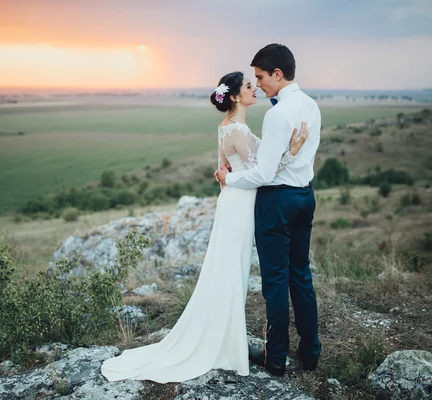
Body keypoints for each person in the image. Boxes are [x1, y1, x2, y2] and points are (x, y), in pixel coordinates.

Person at [100, 70, 308, 383]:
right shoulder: (237, 129)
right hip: (239, 206)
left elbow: (224, 168)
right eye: (250, 87)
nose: (256, 90)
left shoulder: (225, 128)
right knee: (231, 271)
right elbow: (264, 172)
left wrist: (229, 173)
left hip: (232, 202)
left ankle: (224, 336)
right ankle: (225, 343)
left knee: (226, 269)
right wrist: (290, 153)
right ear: (236, 96)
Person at [215, 44, 322, 377]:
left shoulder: (277, 115)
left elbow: (263, 173)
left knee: (275, 282)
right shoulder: (312, 106)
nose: (258, 84)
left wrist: (230, 181)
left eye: (260, 78)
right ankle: (311, 351)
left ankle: (275, 357)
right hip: (305, 197)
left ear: (278, 74)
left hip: (277, 203)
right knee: (301, 276)